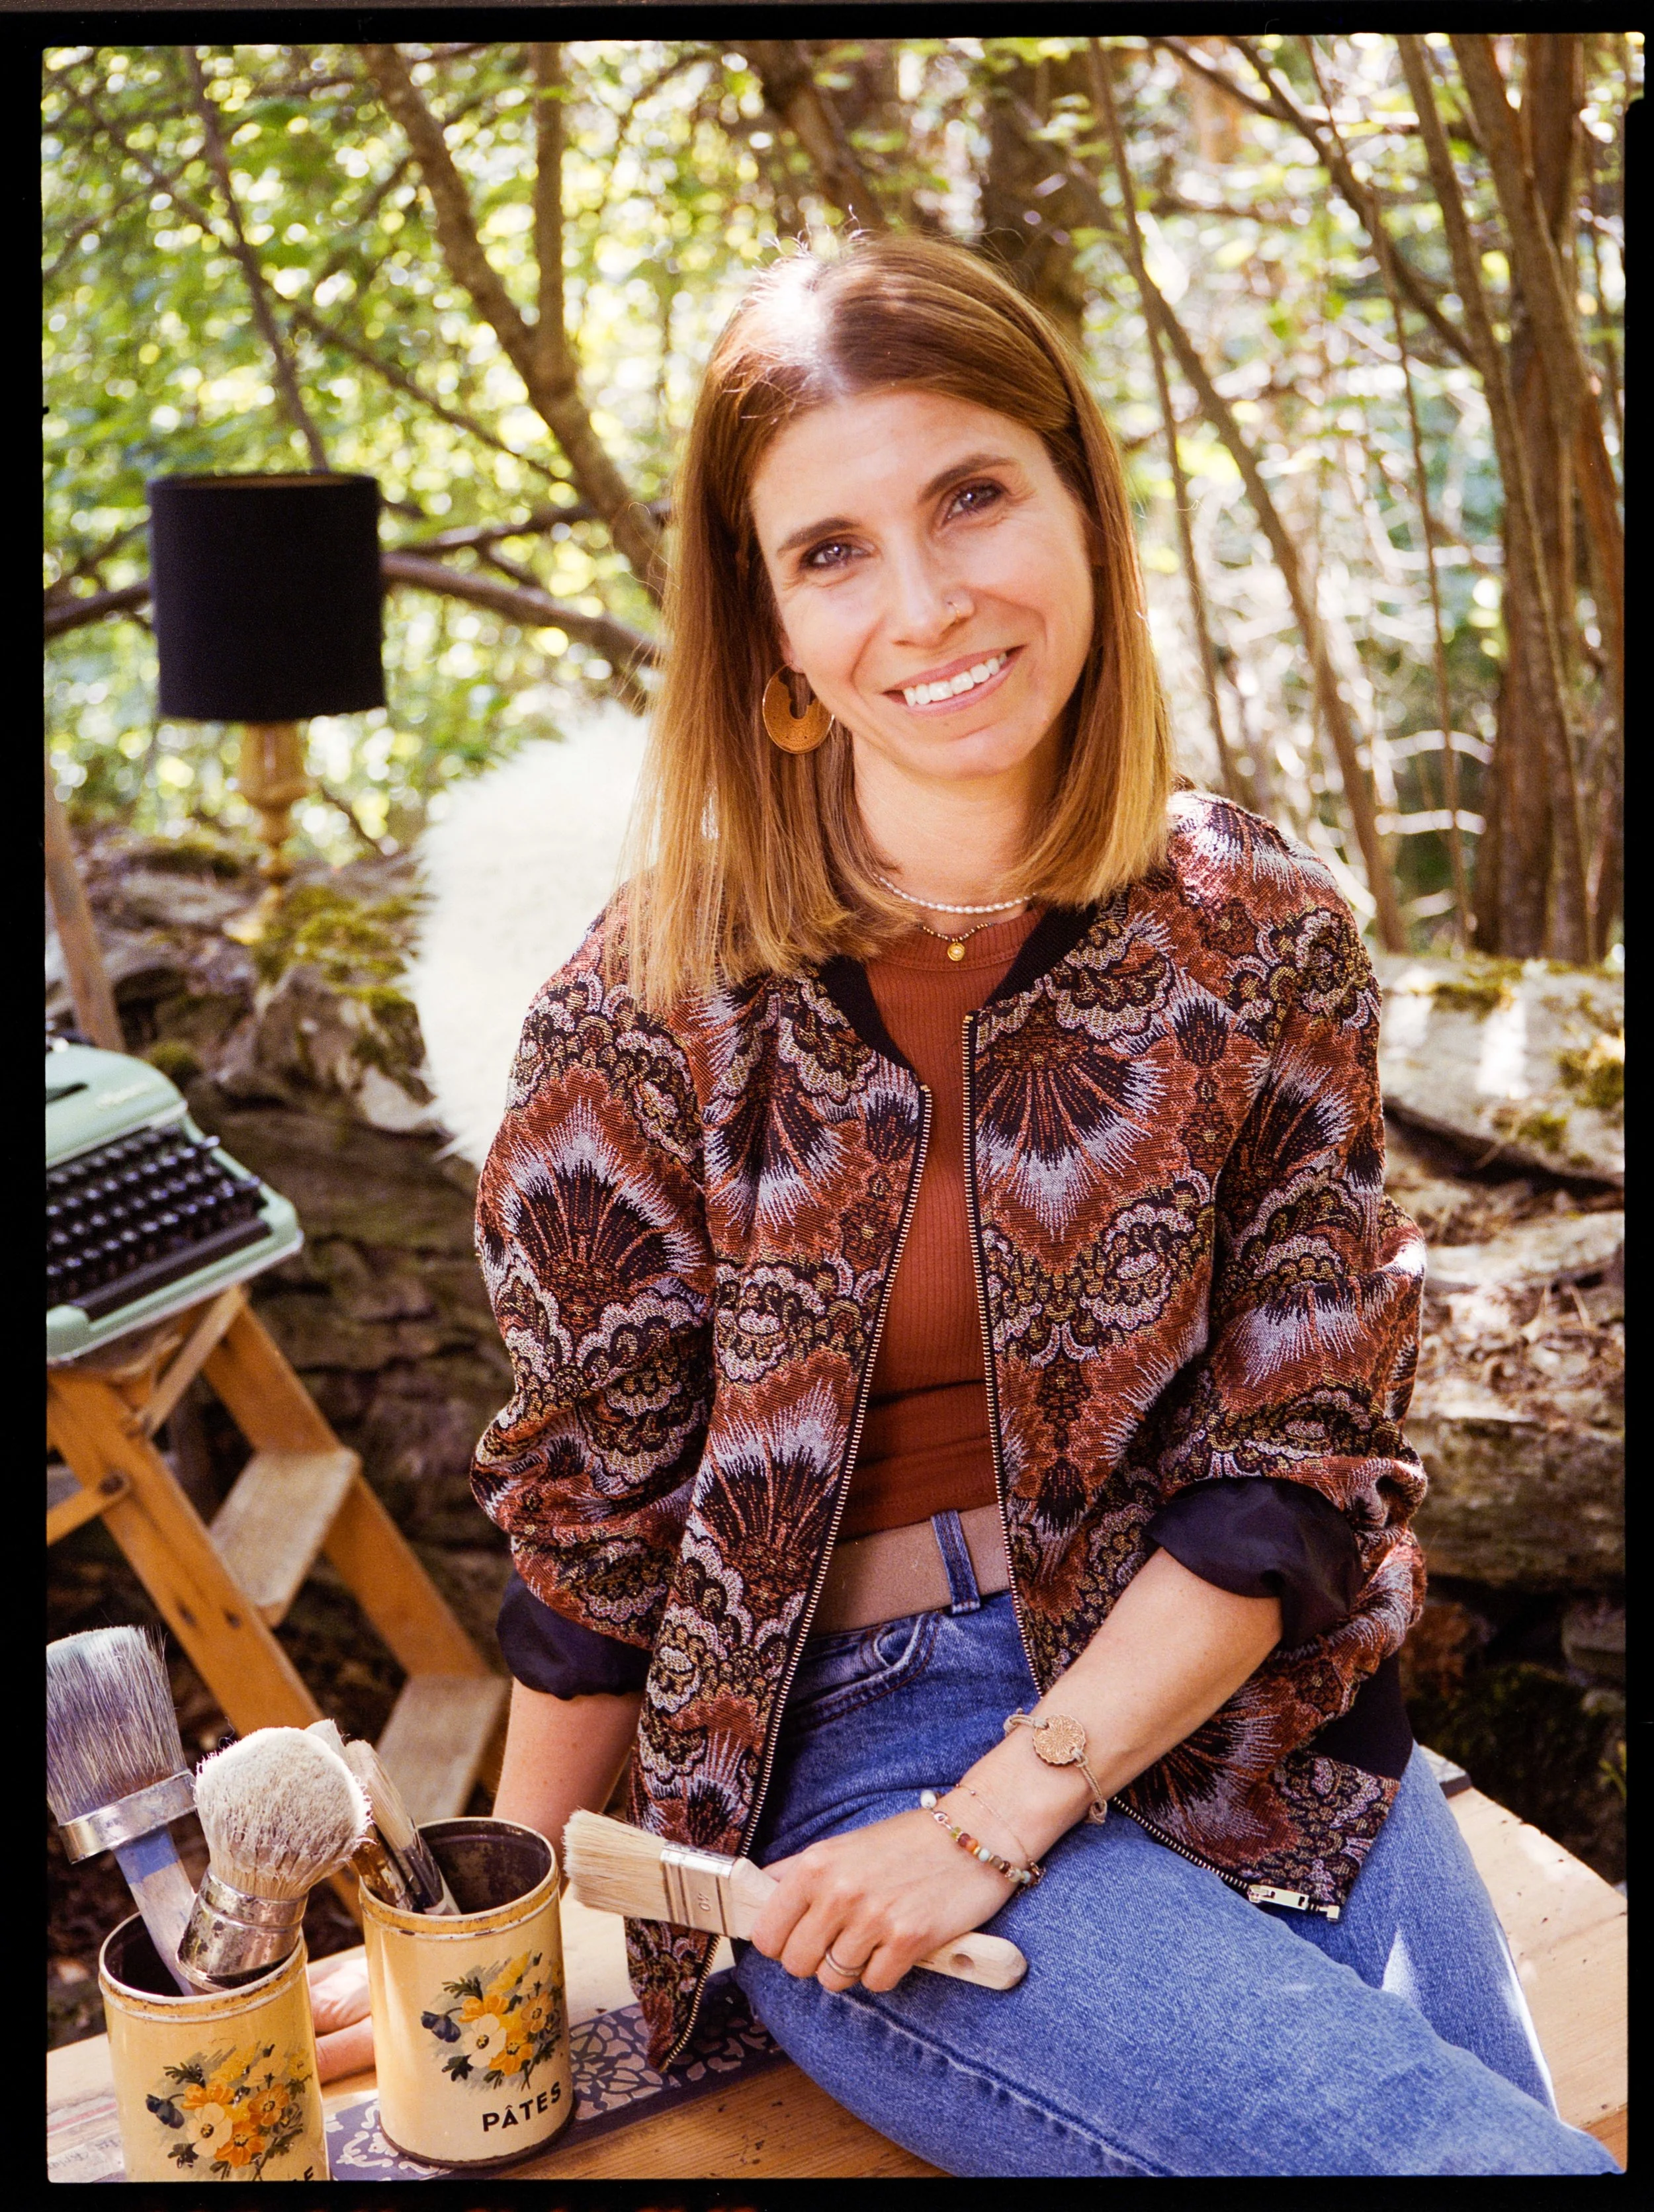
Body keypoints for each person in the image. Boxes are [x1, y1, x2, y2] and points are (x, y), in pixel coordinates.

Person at [456, 237, 1614, 2176]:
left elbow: (1294, 1460)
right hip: (846, 1749)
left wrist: (1014, 1803)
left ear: (1082, 498)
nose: (923, 601)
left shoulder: (1266, 937)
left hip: (1241, 1706)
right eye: (829, 551)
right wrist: (492, 1933)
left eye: (972, 494)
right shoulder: (641, 1014)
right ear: (768, 641)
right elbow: (594, 1540)